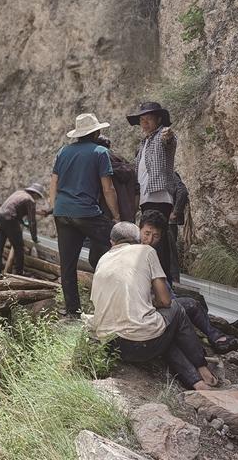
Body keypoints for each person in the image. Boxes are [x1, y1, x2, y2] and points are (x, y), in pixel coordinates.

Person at [88, 222, 218, 390]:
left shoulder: (103, 260)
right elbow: (165, 301)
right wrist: (152, 303)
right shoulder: (146, 251)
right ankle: (201, 366)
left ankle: (196, 382)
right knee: (175, 311)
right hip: (142, 343)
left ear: (112, 242)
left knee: (163, 334)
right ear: (138, 239)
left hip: (112, 347)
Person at [139, 210, 238, 354]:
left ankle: (212, 337)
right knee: (192, 304)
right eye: (147, 233)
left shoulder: (153, 252)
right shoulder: (139, 253)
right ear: (139, 229)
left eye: (155, 236)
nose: (150, 239)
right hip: (146, 307)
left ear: (161, 236)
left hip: (154, 303)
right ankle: (216, 338)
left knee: (192, 302)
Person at [50, 113, 121, 319]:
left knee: (68, 264)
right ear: (96, 133)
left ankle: (73, 312)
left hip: (62, 212)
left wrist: (55, 207)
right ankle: (118, 300)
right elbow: (108, 189)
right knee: (119, 244)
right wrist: (116, 216)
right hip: (86, 212)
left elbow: (53, 183)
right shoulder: (100, 152)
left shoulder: (63, 152)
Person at [127, 101, 177, 279]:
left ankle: (163, 281)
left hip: (159, 196)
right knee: (150, 239)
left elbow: (169, 140)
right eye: (142, 120)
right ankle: (153, 278)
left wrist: (168, 134)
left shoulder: (161, 136)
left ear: (159, 119)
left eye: (149, 119)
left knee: (157, 240)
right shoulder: (144, 142)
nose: (145, 123)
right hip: (146, 197)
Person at [0, 183, 45, 278]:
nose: (37, 199)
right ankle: (19, 273)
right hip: (10, 220)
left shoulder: (19, 193)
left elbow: (14, 209)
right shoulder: (30, 200)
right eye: (38, 197)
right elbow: (32, 221)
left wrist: (23, 223)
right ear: (35, 194)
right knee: (19, 247)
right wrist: (34, 237)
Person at [95, 136, 138, 222]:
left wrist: (116, 216)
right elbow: (137, 192)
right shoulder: (127, 165)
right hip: (128, 217)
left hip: (106, 217)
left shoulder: (100, 166)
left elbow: (107, 190)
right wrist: (132, 213)